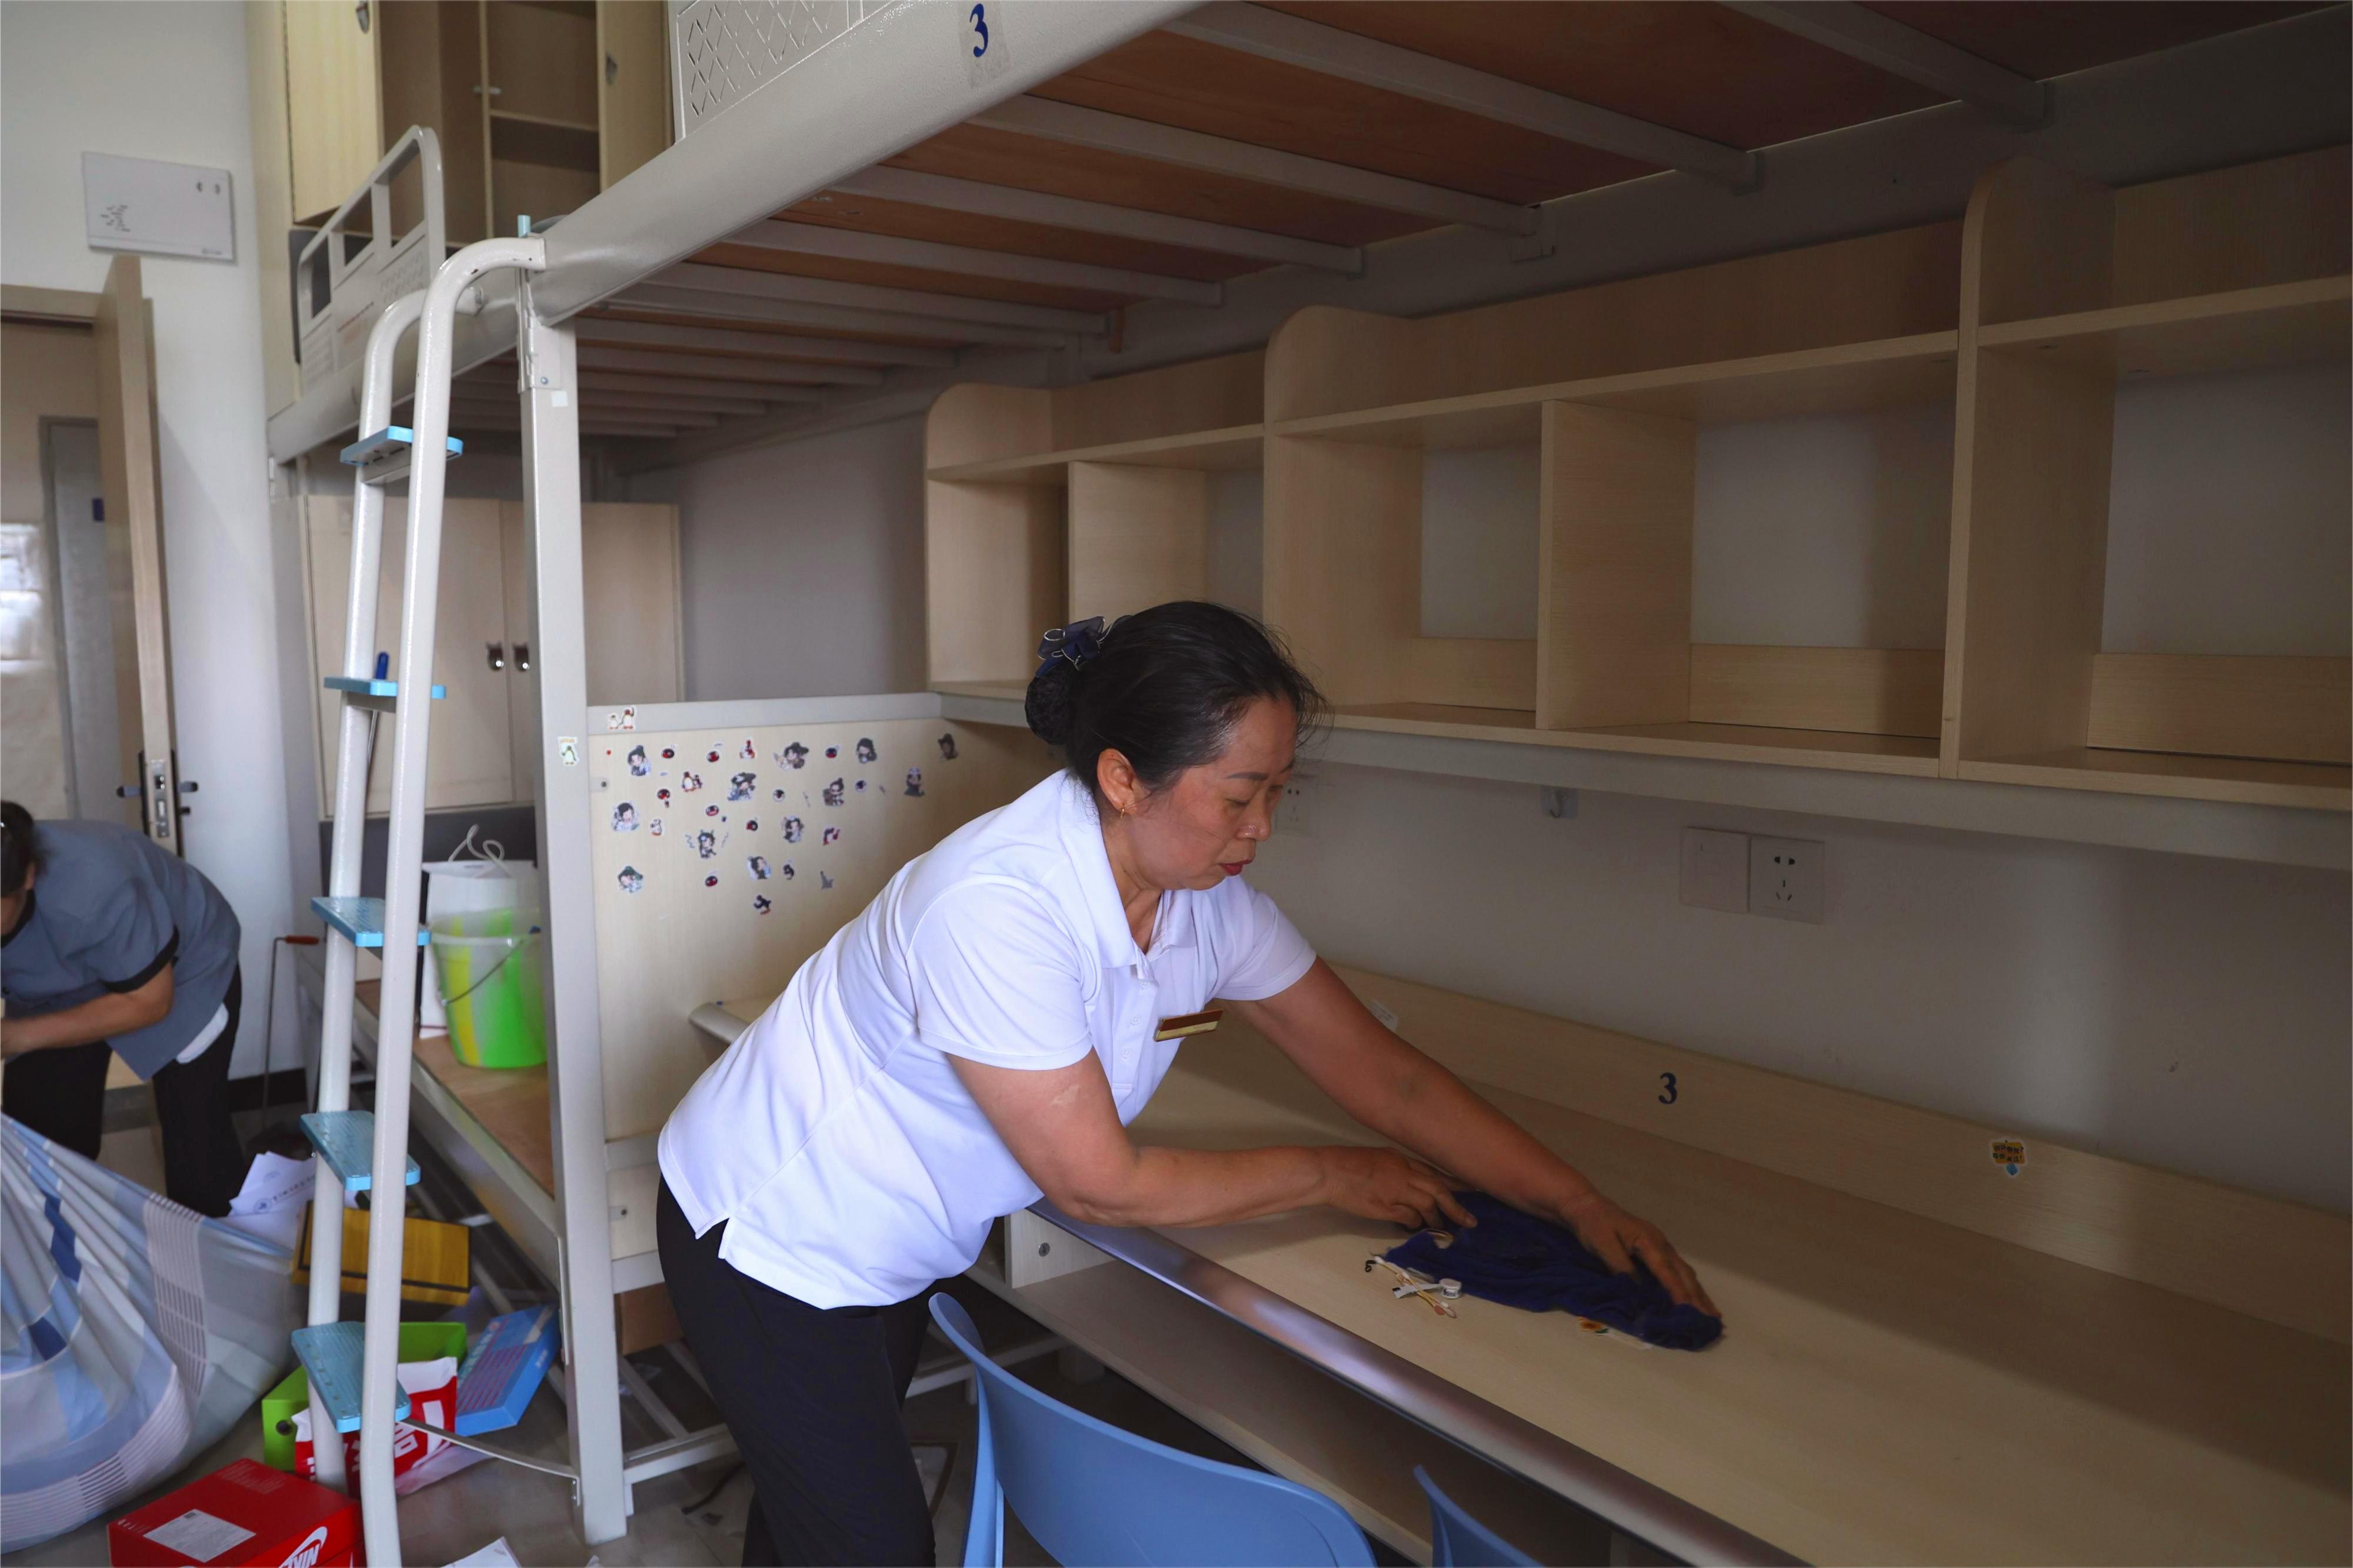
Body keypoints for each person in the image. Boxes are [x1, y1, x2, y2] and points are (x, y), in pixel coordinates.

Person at [656, 602, 1715, 1567]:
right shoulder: (997, 904)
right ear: (1124, 779)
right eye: (1240, 795)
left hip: (889, 1236)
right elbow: (1098, 1185)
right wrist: (1332, 1174)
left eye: (1278, 793)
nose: (1262, 828)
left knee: (813, 1518)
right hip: (773, 1233)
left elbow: (1386, 1077)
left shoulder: (1204, 896)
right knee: (870, 1545)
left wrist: (1575, 1201)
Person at [1, 800, 249, 1216]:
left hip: (181, 973)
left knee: (199, 1158)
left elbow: (150, 1001)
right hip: (55, 986)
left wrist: (17, 1036)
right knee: (37, 1146)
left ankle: (223, 1244)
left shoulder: (96, 883)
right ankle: (60, 1247)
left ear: (27, 876)